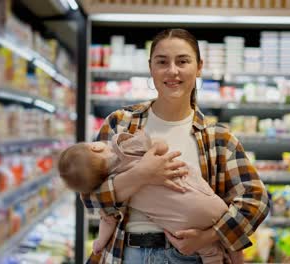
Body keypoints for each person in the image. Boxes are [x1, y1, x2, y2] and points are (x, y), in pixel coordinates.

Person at [81, 28, 270, 264]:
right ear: (151, 67)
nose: (172, 71)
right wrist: (142, 174)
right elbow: (88, 195)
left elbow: (257, 201)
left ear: (199, 67)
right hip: (125, 254)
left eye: (183, 61)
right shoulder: (120, 124)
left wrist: (208, 237)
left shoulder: (218, 138)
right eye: (162, 62)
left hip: (191, 257)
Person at [58, 130, 243, 263]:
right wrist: (142, 170)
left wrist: (99, 243)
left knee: (210, 253)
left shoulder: (110, 184)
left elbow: (105, 216)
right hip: (204, 202)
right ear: (95, 147)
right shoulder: (124, 146)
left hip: (179, 227)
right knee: (231, 240)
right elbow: (161, 146)